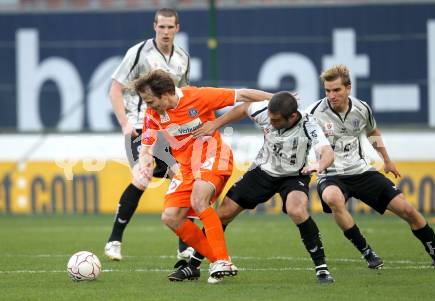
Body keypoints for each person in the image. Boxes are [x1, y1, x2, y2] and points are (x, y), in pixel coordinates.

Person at [169, 92, 336, 284]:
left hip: (293, 176)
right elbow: (243, 108)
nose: (270, 122)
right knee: (223, 213)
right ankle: (193, 266)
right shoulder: (266, 111)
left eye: (276, 120)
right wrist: (216, 124)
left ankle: (321, 268)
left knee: (296, 210)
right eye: (270, 118)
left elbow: (327, 152)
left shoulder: (309, 124)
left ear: (292, 117)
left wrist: (319, 165)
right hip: (262, 171)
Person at [135, 69, 273, 281]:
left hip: (214, 156)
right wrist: (145, 160)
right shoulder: (152, 114)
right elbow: (147, 146)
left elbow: (242, 94)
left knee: (199, 199)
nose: (148, 106)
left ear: (166, 93)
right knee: (171, 217)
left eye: (150, 101)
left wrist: (276, 99)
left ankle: (222, 260)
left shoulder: (198, 97)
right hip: (186, 168)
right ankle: (217, 261)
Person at [307, 64, 435, 268]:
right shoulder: (314, 112)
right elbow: (297, 135)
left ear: (348, 88)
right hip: (331, 174)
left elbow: (372, 133)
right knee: (333, 198)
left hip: (361, 171)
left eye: (336, 90)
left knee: (406, 209)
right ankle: (367, 252)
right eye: (327, 90)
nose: (331, 95)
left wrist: (386, 159)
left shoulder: (362, 109)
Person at [105, 8, 194, 261]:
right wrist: (124, 123)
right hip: (141, 126)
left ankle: (183, 245)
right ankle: (114, 240)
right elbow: (115, 88)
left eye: (170, 27)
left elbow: (183, 95)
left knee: (184, 177)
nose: (165, 32)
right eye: (161, 27)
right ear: (154, 26)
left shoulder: (182, 57)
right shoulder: (139, 53)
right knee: (143, 176)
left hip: (172, 129)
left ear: (177, 28)